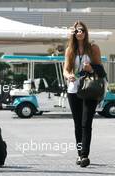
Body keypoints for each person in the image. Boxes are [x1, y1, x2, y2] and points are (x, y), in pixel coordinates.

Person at [63, 21, 106, 167]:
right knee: (77, 125)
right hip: (73, 89)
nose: (79, 33)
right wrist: (69, 76)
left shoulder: (93, 48)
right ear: (73, 34)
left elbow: (101, 70)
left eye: (81, 30)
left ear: (86, 32)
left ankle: (84, 156)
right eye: (76, 31)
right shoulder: (70, 50)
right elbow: (66, 69)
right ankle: (79, 153)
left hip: (89, 89)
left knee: (86, 123)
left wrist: (91, 68)